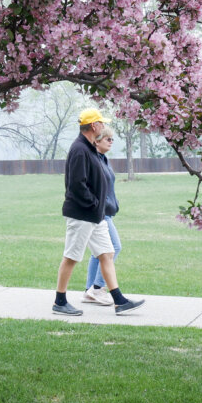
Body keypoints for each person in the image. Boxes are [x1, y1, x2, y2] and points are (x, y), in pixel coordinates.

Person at [52, 108, 145, 316]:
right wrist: (95, 203)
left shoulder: (90, 148)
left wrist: (99, 207)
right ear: (94, 126)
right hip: (82, 214)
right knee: (71, 257)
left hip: (96, 215)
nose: (103, 126)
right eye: (101, 123)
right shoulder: (79, 149)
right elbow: (76, 185)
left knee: (107, 253)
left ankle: (119, 300)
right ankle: (59, 301)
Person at [81, 127, 123, 306]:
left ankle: (89, 290)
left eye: (112, 139)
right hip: (100, 213)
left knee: (98, 253)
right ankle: (97, 288)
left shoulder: (104, 159)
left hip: (107, 212)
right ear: (96, 141)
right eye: (107, 139)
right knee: (114, 247)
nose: (111, 141)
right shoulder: (94, 160)